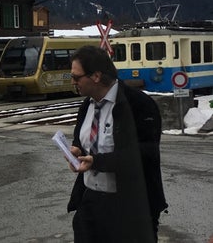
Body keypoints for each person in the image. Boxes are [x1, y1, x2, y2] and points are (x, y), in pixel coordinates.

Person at [66, 45, 167, 242]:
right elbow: (82, 138)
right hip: (91, 203)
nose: (72, 82)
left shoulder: (139, 105)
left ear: (96, 76)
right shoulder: (87, 105)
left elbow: (145, 154)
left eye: (76, 77)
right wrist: (76, 149)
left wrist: (97, 161)